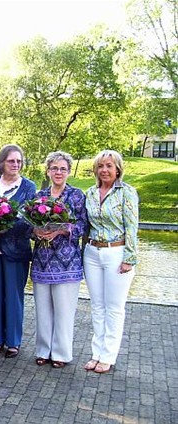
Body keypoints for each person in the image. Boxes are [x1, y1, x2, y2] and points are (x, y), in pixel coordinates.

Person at [30, 151, 88, 368]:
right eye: (54, 168)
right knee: (43, 310)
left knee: (64, 312)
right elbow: (28, 226)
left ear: (69, 171)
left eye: (63, 168)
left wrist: (62, 230)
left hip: (67, 263)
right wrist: (36, 231)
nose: (58, 172)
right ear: (48, 170)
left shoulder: (76, 195)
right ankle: (43, 350)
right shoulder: (39, 196)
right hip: (42, 261)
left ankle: (61, 354)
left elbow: (83, 226)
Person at [83, 150, 139, 374]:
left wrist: (130, 258)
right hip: (92, 253)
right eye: (101, 166)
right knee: (97, 306)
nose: (104, 170)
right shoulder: (90, 192)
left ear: (118, 169)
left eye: (109, 166)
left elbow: (132, 227)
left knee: (114, 308)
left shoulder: (127, 192)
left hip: (116, 253)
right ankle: (96, 353)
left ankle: (108, 356)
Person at [0, 144, 36, 358]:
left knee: (13, 295)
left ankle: (13, 342)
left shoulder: (28, 186)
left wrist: (3, 226)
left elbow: (29, 219)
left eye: (19, 161)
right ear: (2, 162)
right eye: (11, 161)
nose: (15, 164)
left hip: (16, 248)